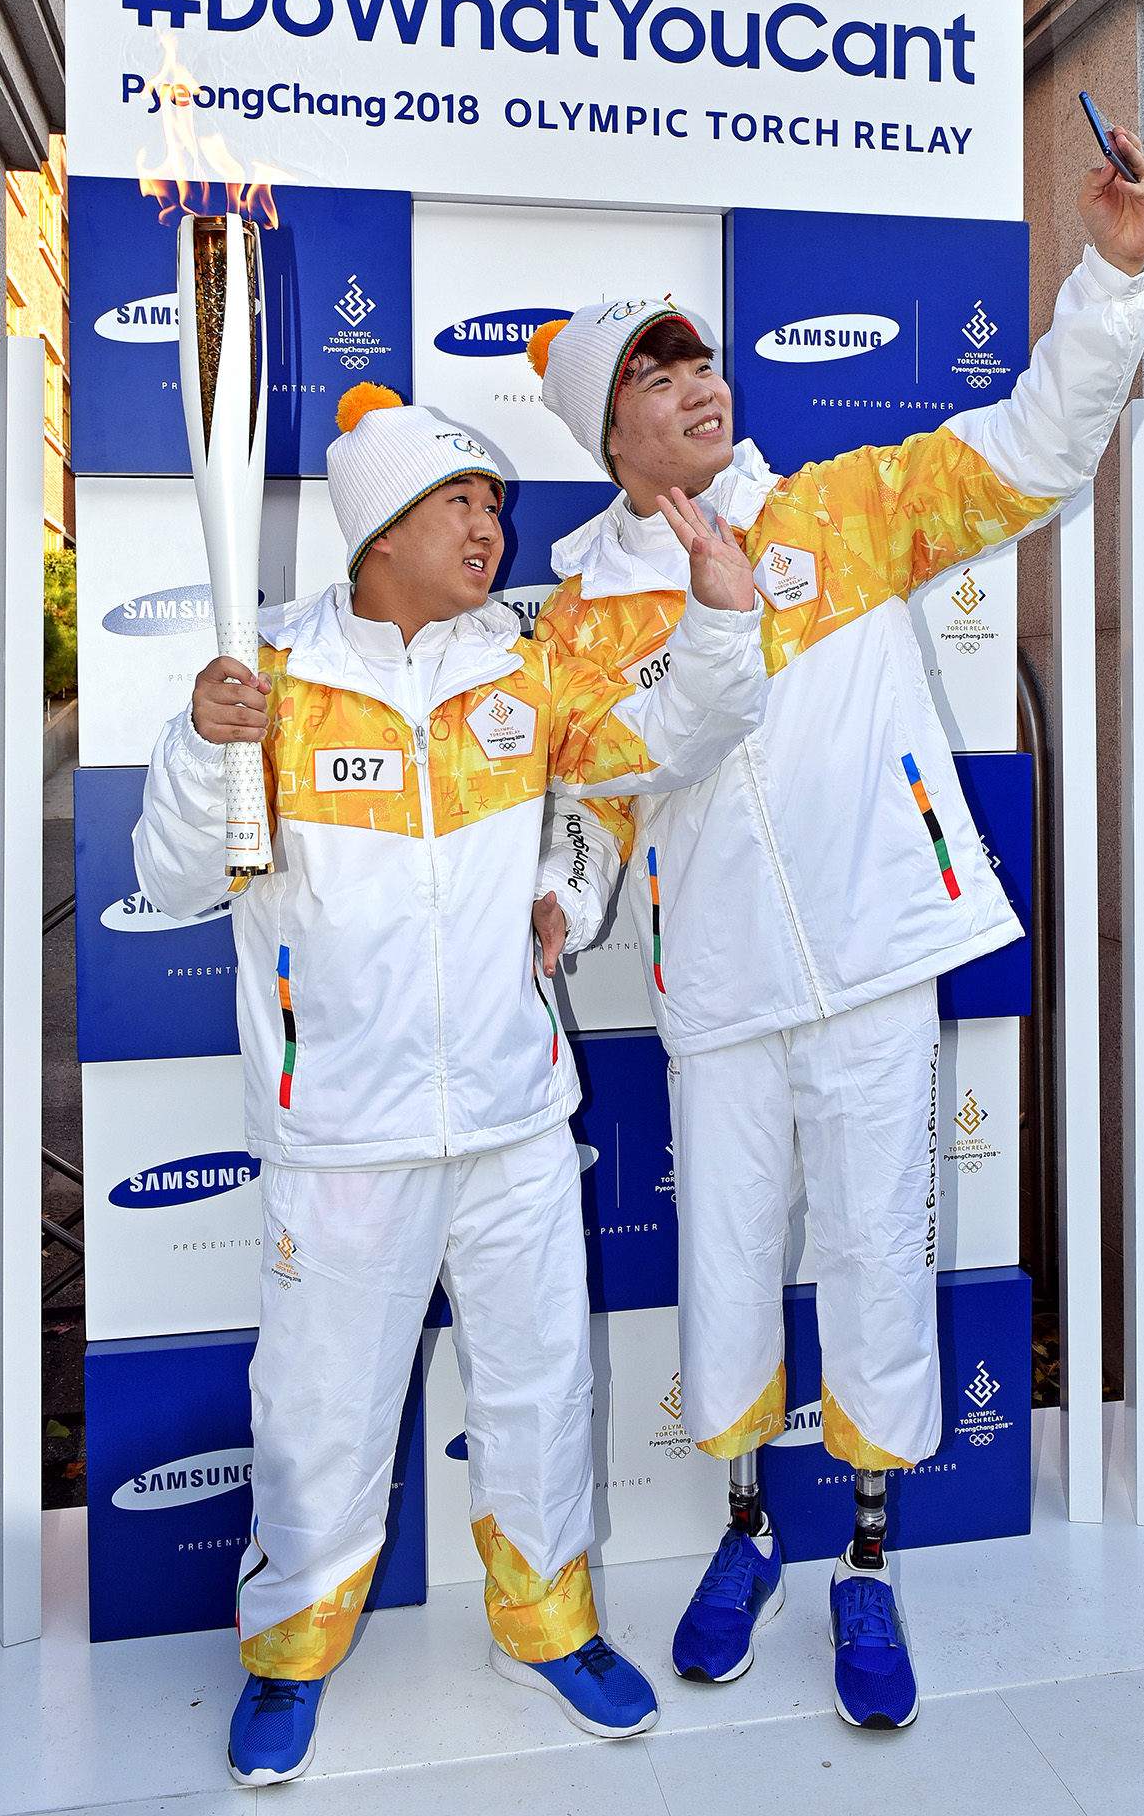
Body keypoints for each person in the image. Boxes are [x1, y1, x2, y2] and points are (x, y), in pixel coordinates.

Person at [527, 126, 1144, 1731]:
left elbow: (1036, 449)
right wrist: (560, 901)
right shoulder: (580, 616)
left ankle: (867, 1561)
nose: (697, 383)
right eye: (656, 374)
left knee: (880, 1255)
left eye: (699, 359)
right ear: (609, 430)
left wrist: (1109, 276)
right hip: (722, 987)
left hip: (875, 953)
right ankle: (747, 1532)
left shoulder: (846, 508)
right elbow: (601, 796)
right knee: (729, 1266)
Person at [134, 386, 767, 1786]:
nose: (489, 527)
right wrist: (199, 750)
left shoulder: (526, 671)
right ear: (379, 531)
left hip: (509, 1117)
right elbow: (174, 881)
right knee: (320, 1411)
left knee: (540, 1389)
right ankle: (288, 1653)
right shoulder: (272, 678)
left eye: (494, 505)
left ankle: (549, 1629)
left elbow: (657, 749)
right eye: (458, 505)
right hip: (339, 1133)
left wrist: (721, 632)